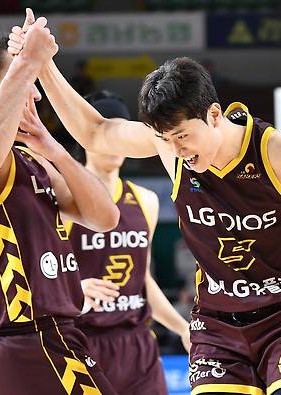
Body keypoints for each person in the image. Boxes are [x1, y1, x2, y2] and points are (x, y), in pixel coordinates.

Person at [8, 11, 281, 394]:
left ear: (214, 115)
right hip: (217, 325)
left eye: (182, 136)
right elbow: (98, 132)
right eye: (166, 140)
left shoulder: (280, 153)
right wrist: (41, 63)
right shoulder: (169, 147)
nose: (176, 150)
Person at [0, 17, 120, 394]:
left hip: (39, 341)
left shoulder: (29, 158)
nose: (34, 95)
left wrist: (57, 152)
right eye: (24, 80)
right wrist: (29, 61)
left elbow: (105, 217)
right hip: (28, 341)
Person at [69, 90, 190, 395]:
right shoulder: (65, 199)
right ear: (87, 137)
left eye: (120, 132)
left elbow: (143, 281)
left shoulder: (145, 201)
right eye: (107, 131)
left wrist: (182, 327)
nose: (115, 142)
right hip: (82, 341)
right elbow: (39, 273)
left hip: (137, 344)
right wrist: (72, 288)